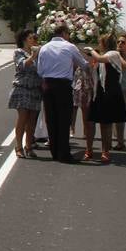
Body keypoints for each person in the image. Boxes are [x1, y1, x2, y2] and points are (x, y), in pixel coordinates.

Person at [37, 24, 88, 163]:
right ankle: (64, 153)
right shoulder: (69, 46)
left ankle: (54, 151)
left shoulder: (44, 48)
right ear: (64, 33)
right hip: (63, 85)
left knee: (51, 119)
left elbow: (40, 70)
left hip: (47, 84)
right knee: (64, 119)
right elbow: (84, 64)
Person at [83, 35, 126, 163]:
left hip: (110, 92)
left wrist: (91, 51)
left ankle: (105, 151)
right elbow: (95, 71)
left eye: (100, 42)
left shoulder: (113, 54)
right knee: (90, 122)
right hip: (98, 92)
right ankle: (89, 149)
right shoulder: (102, 56)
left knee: (106, 124)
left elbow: (100, 59)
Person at [8, 29, 42, 158]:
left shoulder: (38, 53)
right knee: (23, 118)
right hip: (22, 88)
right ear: (24, 40)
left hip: (35, 88)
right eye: (31, 38)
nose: (33, 40)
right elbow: (22, 65)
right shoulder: (19, 52)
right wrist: (33, 55)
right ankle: (18, 146)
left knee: (32, 120)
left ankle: (29, 146)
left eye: (34, 38)